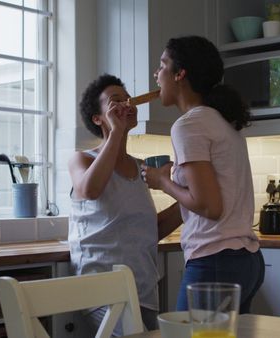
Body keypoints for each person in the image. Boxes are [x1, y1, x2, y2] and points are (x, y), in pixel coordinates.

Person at [142, 35, 265, 313]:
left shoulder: (189, 125)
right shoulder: (219, 120)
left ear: (179, 74)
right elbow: (206, 200)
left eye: (162, 65)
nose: (156, 74)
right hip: (245, 261)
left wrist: (162, 181)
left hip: (215, 261)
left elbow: (209, 206)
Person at [68, 74, 182, 334]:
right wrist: (116, 132)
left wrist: (191, 199)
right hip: (102, 291)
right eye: (115, 101)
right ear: (98, 118)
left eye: (128, 99)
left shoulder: (141, 167)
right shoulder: (81, 160)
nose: (126, 105)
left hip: (143, 290)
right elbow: (90, 189)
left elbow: (151, 229)